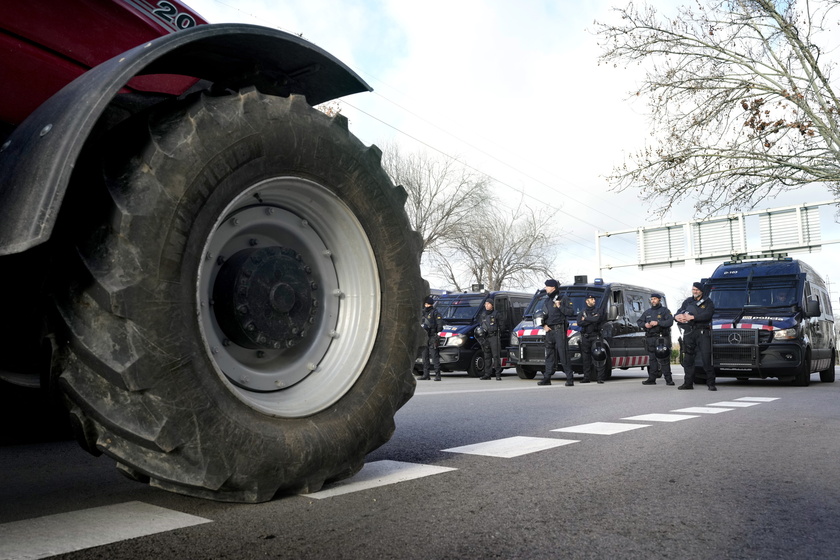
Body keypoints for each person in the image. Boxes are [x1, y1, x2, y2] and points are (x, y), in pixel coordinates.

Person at [675, 282, 716, 391]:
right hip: (689, 333)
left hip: (703, 333)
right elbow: (679, 311)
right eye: (693, 289)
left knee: (706, 358)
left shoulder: (708, 302)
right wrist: (677, 316)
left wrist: (692, 317)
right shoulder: (688, 301)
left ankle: (711, 383)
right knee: (688, 359)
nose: (695, 291)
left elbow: (708, 315)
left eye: (697, 290)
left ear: (701, 291)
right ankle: (688, 383)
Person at [538, 279, 575, 386]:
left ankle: (569, 378)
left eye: (547, 286)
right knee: (549, 355)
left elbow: (570, 312)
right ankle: (547, 378)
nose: (545, 288)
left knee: (563, 354)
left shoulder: (563, 298)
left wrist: (560, 306)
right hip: (549, 331)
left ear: (553, 287)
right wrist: (543, 325)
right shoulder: (547, 300)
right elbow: (543, 315)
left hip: (559, 329)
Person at [638, 293, 675, 386]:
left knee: (664, 359)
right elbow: (639, 321)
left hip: (661, 338)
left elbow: (670, 321)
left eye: (655, 299)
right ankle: (651, 379)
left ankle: (668, 379)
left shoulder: (665, 311)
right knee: (652, 360)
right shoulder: (647, 312)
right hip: (650, 337)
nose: (653, 300)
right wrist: (645, 325)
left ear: (659, 300)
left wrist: (658, 323)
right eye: (652, 299)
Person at [578, 294, 606, 383]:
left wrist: (585, 319)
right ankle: (586, 378)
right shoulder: (582, 311)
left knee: (598, 355)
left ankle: (600, 378)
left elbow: (597, 319)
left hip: (596, 336)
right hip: (586, 337)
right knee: (586, 359)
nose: (594, 300)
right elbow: (579, 322)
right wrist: (591, 319)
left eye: (594, 299)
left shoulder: (598, 310)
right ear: (587, 301)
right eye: (591, 299)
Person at [476, 299, 503, 380]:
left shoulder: (497, 314)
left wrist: (498, 333)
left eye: (488, 304)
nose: (486, 305)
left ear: (492, 305)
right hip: (486, 337)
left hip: (494, 337)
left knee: (496, 356)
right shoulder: (483, 315)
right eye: (485, 304)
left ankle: (498, 374)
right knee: (487, 356)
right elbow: (481, 325)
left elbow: (502, 326)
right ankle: (487, 374)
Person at [420, 296, 443, 381]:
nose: (426, 305)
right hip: (424, 337)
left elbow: (440, 325)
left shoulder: (435, 312)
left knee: (434, 356)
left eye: (427, 304)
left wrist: (437, 333)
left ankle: (438, 375)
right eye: (425, 304)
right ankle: (426, 375)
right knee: (424, 356)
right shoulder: (422, 313)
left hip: (432, 336)